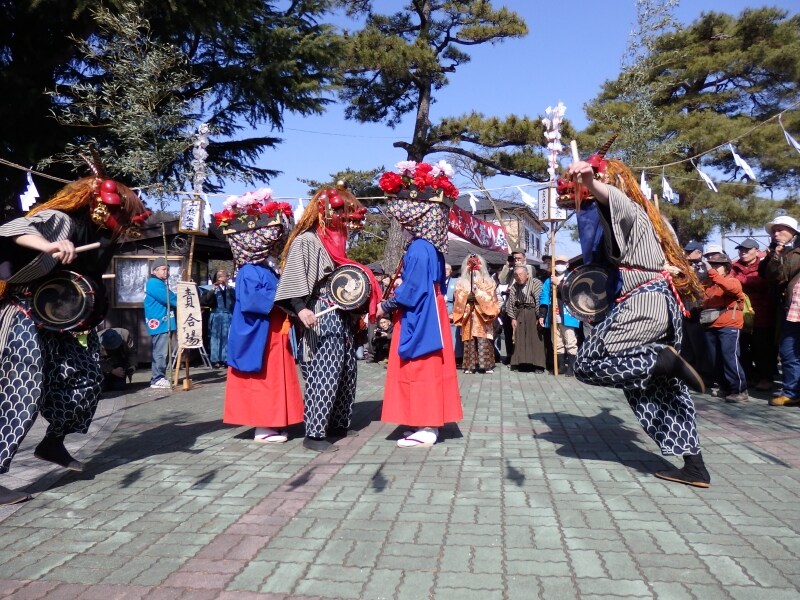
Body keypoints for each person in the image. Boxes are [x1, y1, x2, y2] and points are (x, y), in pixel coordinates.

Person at [563, 143, 711, 488]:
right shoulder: (646, 228)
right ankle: (694, 466)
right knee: (657, 394)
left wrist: (590, 179)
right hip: (659, 305)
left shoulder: (629, 208)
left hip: (642, 305)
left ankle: (659, 360)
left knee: (587, 364)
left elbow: (613, 200)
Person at [0, 170, 150, 504]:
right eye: (121, 211)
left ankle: (53, 442)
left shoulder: (103, 237)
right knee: (23, 388)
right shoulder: (61, 220)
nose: (124, 219)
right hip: (24, 314)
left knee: (86, 378)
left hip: (64, 323)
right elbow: (14, 229)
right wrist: (50, 244)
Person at [275, 182, 380, 452]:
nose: (346, 218)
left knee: (346, 370)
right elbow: (293, 280)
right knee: (324, 370)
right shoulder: (306, 241)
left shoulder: (336, 242)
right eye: (342, 212)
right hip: (319, 313)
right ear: (325, 212)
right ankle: (315, 433)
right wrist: (301, 309)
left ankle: (337, 425)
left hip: (341, 313)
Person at [377, 159, 462, 448]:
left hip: (420, 314)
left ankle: (426, 425)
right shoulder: (433, 248)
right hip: (431, 310)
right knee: (427, 367)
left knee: (420, 367)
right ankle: (424, 421)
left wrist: (386, 305)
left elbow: (411, 291)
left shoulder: (419, 248)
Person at [215, 196, 303, 443]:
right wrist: (285, 294)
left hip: (272, 331)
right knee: (264, 379)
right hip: (260, 334)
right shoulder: (249, 270)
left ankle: (275, 422)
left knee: (273, 377)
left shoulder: (261, 269)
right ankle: (263, 427)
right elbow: (255, 302)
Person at [760, 215, 800, 407]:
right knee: (788, 352)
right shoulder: (776, 253)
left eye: (781, 229)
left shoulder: (794, 253)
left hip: (794, 306)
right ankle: (792, 392)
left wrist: (778, 256)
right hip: (790, 308)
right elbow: (771, 277)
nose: (777, 233)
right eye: (774, 230)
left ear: (794, 232)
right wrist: (774, 256)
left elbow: (783, 275)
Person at [700, 252, 748, 403]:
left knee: (730, 357)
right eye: (712, 265)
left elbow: (729, 288)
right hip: (711, 325)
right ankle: (725, 387)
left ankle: (740, 390)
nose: (713, 268)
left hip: (729, 325)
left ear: (726, 267)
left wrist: (711, 273)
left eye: (717, 265)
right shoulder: (709, 285)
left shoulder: (733, 281)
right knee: (715, 359)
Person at [731, 238, 775, 391]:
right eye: (741, 249)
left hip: (762, 313)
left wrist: (739, 280)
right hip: (740, 314)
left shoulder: (764, 265)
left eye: (747, 250)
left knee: (762, 348)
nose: (743, 252)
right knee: (742, 348)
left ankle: (766, 378)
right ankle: (748, 376)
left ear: (756, 251)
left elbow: (762, 283)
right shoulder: (734, 266)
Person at [452, 254, 501, 374]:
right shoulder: (461, 282)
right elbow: (458, 297)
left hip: (482, 315)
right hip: (468, 313)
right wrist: (466, 297)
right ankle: (470, 366)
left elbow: (491, 298)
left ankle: (486, 365)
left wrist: (478, 294)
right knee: (469, 340)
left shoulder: (488, 281)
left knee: (483, 339)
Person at [538, 256, 580, 376]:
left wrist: (560, 285)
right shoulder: (548, 280)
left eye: (562, 263)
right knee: (556, 342)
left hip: (568, 315)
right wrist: (542, 314)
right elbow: (544, 297)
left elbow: (573, 293)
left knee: (570, 341)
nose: (559, 265)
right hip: (553, 315)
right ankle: (560, 366)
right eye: (557, 263)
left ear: (567, 264)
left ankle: (571, 367)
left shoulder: (572, 277)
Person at [680, 241, 712, 384]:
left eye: (690, 251)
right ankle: (689, 374)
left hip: (698, 309)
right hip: (684, 309)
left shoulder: (704, 266)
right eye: (686, 251)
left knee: (699, 345)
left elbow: (698, 280)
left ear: (699, 253)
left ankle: (705, 375)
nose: (686, 254)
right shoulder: (683, 266)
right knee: (686, 345)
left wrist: (687, 271)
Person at [144, 258, 177, 390]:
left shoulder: (159, 283)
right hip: (159, 321)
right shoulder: (153, 283)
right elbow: (169, 299)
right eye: (164, 269)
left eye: (168, 269)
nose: (167, 272)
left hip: (164, 321)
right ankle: (157, 378)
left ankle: (159, 376)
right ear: (155, 270)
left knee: (163, 351)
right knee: (160, 352)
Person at [506, 265, 546, 372]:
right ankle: (521, 362)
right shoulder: (515, 286)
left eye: (521, 274)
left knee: (535, 337)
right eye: (516, 275)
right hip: (520, 312)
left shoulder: (536, 283)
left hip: (532, 311)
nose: (518, 277)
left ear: (527, 274)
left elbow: (539, 299)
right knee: (520, 337)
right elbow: (511, 302)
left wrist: (539, 316)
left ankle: (538, 364)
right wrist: (513, 318)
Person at [497, 249, 529, 363]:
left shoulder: (529, 268)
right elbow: (501, 280)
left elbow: (526, 279)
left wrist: (521, 267)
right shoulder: (511, 270)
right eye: (515, 259)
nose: (516, 261)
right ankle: (510, 355)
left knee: (521, 332)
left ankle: (520, 357)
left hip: (521, 305)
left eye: (519, 258)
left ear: (524, 258)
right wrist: (507, 266)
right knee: (508, 331)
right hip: (509, 304)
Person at [202, 269, 235, 368]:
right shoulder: (211, 289)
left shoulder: (230, 289)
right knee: (215, 338)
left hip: (228, 315)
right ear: (216, 278)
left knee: (227, 338)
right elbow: (205, 301)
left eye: (224, 275)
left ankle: (226, 359)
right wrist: (212, 289)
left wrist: (229, 288)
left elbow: (235, 300)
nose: (222, 278)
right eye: (220, 276)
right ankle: (215, 359)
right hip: (216, 315)